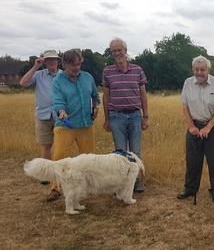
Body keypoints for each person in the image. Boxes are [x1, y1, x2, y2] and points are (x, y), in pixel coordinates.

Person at [47, 48, 100, 201]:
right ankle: (56, 188)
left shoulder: (88, 77)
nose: (76, 68)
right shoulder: (58, 81)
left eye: (78, 64)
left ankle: (88, 186)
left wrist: (96, 107)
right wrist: (62, 112)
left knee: (88, 159)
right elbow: (58, 101)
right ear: (64, 64)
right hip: (65, 126)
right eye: (73, 65)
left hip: (86, 124)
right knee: (60, 158)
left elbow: (95, 96)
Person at [177, 55, 214, 203]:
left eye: (202, 69)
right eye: (196, 69)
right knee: (192, 161)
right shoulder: (188, 83)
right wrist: (191, 126)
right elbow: (185, 106)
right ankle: (190, 188)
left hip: (213, 126)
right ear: (193, 69)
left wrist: (208, 127)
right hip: (194, 126)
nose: (199, 72)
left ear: (208, 70)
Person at [102, 37, 149, 193]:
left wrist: (145, 116)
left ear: (125, 51)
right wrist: (107, 119)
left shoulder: (137, 70)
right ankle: (121, 185)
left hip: (135, 116)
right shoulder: (107, 71)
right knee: (120, 153)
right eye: (114, 51)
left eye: (119, 50)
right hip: (116, 117)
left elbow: (143, 95)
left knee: (135, 152)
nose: (117, 53)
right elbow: (106, 96)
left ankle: (135, 183)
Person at [19, 50, 63, 185]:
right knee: (46, 145)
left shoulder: (63, 75)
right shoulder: (38, 75)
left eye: (55, 59)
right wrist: (35, 66)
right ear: (44, 61)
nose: (52, 62)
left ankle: (60, 172)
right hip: (43, 115)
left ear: (58, 61)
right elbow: (23, 83)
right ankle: (46, 174)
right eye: (49, 59)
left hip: (61, 115)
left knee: (62, 145)